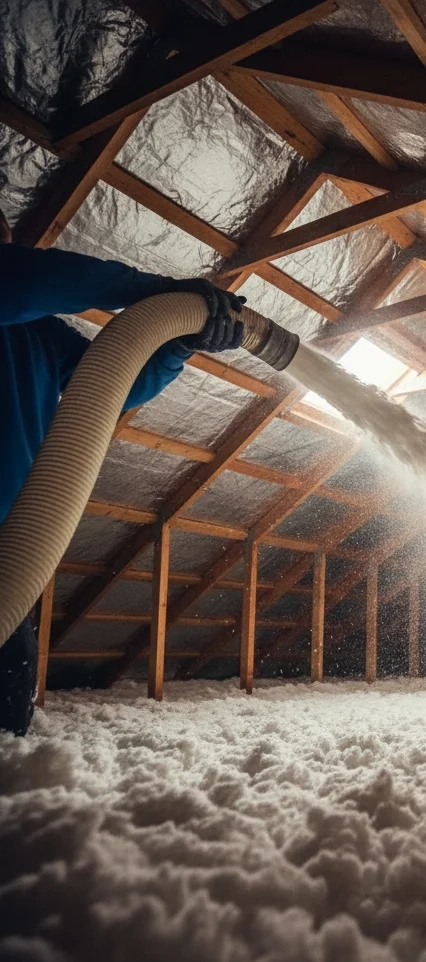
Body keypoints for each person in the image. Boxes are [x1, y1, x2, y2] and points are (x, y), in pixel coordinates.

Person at [0, 204, 246, 735]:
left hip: (12, 553)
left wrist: (176, 340)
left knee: (5, 715)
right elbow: (25, 280)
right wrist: (158, 292)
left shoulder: (37, 331)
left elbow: (119, 379)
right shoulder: (17, 291)